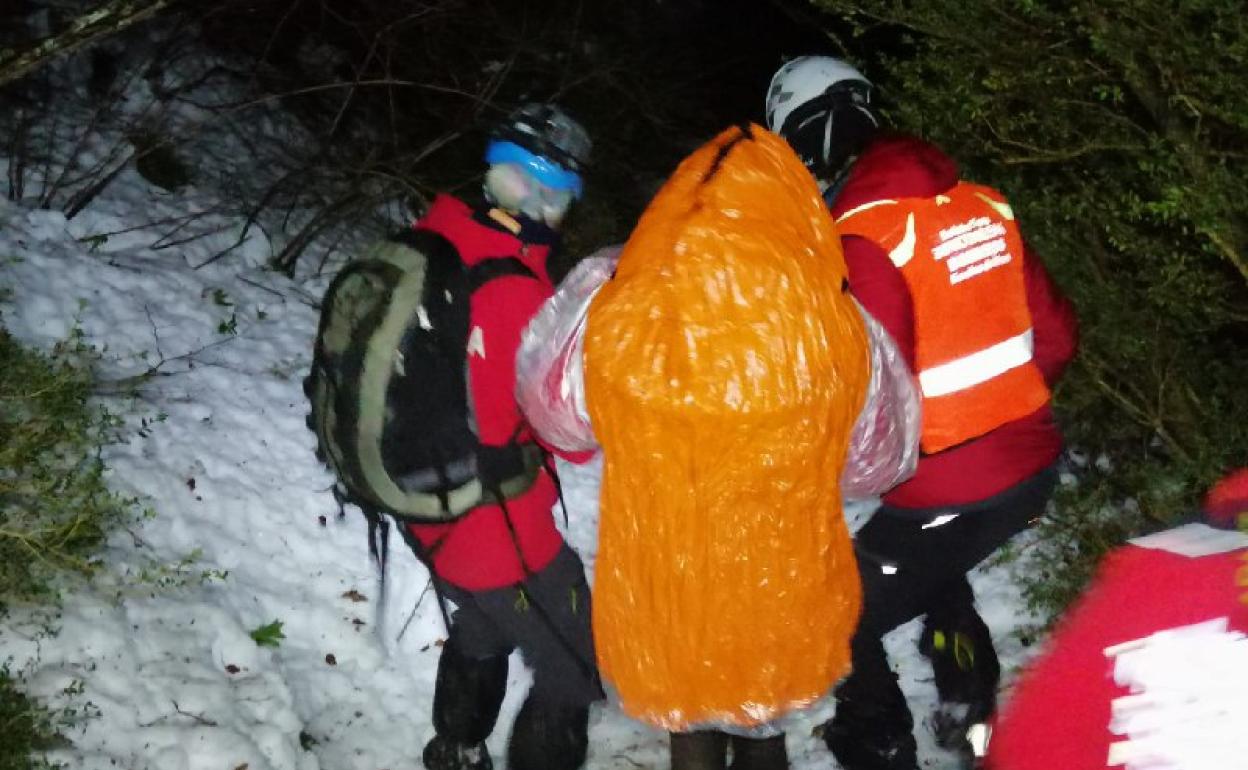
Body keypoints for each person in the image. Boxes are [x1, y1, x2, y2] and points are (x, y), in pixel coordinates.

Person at [766, 56, 1079, 769]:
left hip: (950, 485)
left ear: (810, 138)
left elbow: (872, 392)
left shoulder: (862, 234)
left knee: (831, 622)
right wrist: (1004, 413)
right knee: (932, 562)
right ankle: (970, 713)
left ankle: (876, 740)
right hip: (1030, 467)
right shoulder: (980, 203)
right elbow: (1057, 335)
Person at [583, 124, 870, 770]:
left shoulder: (623, 306)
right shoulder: (836, 320)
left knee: (691, 722)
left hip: (668, 585)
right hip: (777, 585)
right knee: (763, 724)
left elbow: (562, 416)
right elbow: (881, 456)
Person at [404, 103, 602, 770]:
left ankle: (455, 749)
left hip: (428, 507)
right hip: (500, 525)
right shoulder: (519, 292)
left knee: (486, 623)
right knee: (574, 659)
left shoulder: (431, 240)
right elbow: (573, 439)